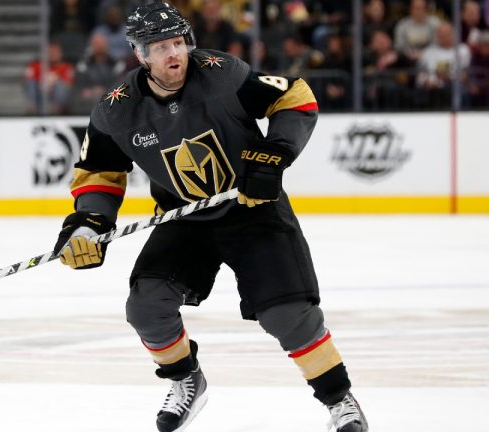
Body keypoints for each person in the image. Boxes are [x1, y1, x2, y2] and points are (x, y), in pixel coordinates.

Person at [51, 2, 369, 432]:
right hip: (183, 220)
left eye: (179, 42)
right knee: (146, 306)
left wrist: (272, 158)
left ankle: (339, 401)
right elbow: (99, 173)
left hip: (253, 209)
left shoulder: (223, 73)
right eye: (160, 46)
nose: (173, 54)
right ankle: (186, 381)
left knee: (287, 314)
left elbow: (295, 97)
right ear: (139, 54)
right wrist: (89, 222)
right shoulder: (117, 109)